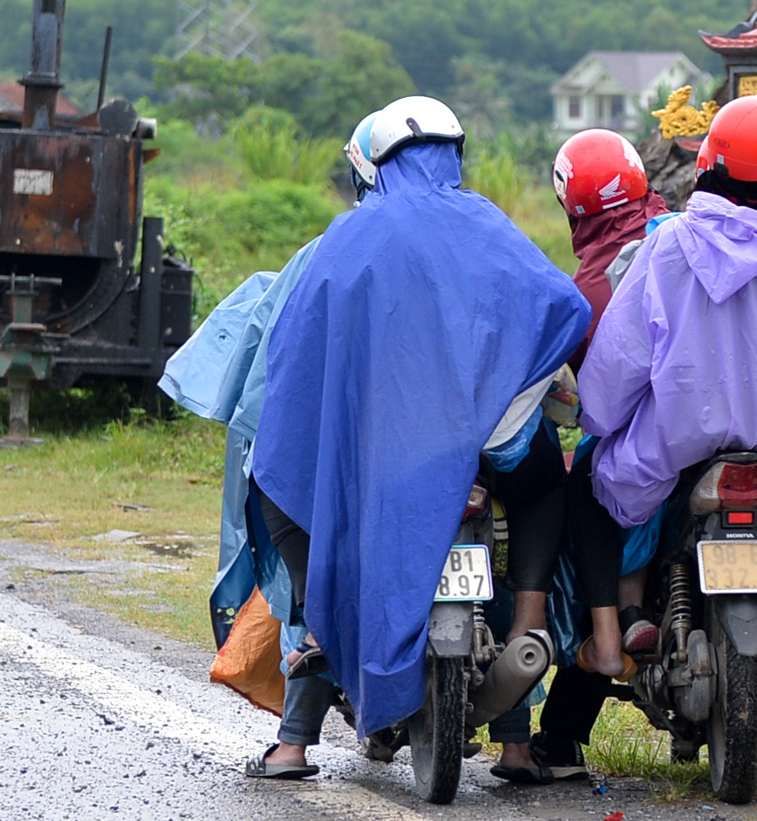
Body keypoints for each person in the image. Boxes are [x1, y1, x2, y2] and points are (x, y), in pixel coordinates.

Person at [249, 96, 592, 770]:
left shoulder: (350, 234)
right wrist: (512, 385)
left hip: (388, 453)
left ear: (372, 164)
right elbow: (563, 304)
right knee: (544, 484)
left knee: (278, 481)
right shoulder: (486, 221)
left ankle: (311, 667)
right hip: (486, 443)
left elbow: (297, 360)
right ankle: (523, 670)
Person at [571, 96, 757, 676]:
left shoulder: (663, 249)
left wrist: (600, 421)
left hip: (675, 445)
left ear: (709, 163)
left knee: (590, 494)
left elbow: (619, 364)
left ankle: (613, 633)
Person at [518, 129, 672, 780]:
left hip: (645, 451)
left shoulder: (584, 293)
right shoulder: (687, 239)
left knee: (586, 479)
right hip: (752, 429)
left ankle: (607, 635)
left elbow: (587, 396)